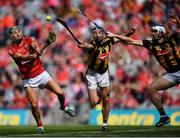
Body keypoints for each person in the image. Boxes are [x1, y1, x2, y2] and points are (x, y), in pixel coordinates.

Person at [108, 15, 180, 127]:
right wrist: (114, 35)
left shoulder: (173, 38)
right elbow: (131, 41)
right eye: (152, 31)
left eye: (155, 31)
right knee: (151, 89)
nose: (153, 33)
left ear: (162, 32)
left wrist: (179, 23)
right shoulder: (150, 44)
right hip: (172, 74)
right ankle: (164, 116)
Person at [8, 26, 76, 134]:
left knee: (61, 93)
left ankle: (63, 107)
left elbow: (36, 47)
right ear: (11, 36)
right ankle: (40, 126)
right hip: (28, 80)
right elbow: (21, 58)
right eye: (14, 33)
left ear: (21, 32)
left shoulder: (29, 39)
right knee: (34, 105)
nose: (17, 34)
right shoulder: (11, 50)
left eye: (18, 31)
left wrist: (39, 49)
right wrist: (32, 56)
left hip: (41, 73)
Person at [77, 27, 135, 131]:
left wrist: (129, 33)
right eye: (95, 33)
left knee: (106, 99)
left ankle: (104, 124)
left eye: (99, 33)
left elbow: (120, 38)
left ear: (103, 34)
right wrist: (84, 45)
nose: (97, 35)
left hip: (104, 73)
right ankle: (98, 93)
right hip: (92, 74)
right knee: (94, 102)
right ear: (93, 35)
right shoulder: (93, 45)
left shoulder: (109, 41)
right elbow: (88, 46)